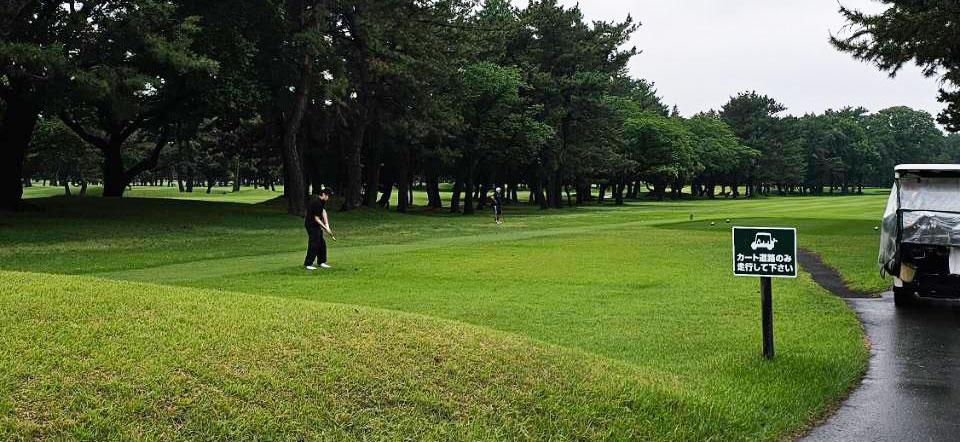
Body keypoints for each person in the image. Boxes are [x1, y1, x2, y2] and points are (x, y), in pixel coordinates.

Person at [304, 189, 336, 270]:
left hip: (316, 224)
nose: (328, 198)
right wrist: (325, 228)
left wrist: (327, 225)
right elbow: (317, 218)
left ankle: (321, 262)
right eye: (328, 196)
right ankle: (308, 264)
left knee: (321, 243)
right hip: (311, 224)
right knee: (314, 243)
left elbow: (323, 211)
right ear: (323, 194)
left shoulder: (322, 201)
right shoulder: (316, 203)